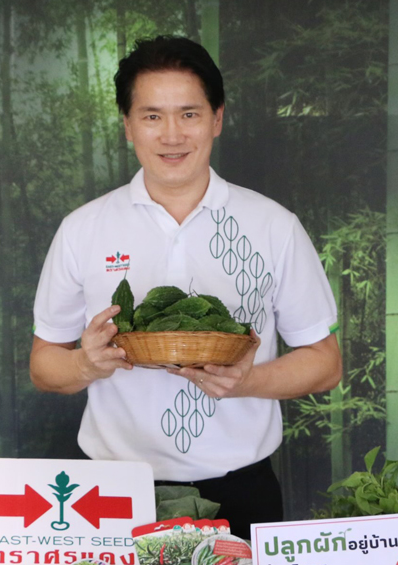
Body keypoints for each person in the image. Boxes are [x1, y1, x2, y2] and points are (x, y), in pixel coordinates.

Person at [30, 35, 341, 539]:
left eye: (189, 114)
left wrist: (247, 381)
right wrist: (84, 364)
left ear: (217, 119)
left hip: (239, 492)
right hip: (110, 494)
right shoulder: (84, 228)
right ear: (128, 125)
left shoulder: (272, 225)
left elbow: (325, 361)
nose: (172, 134)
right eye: (152, 116)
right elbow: (45, 363)